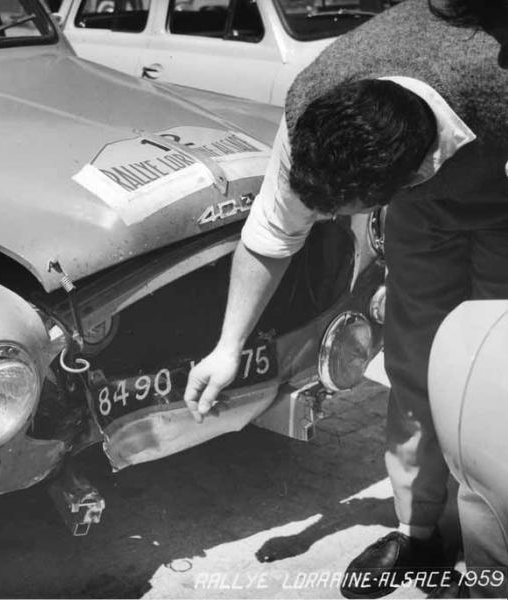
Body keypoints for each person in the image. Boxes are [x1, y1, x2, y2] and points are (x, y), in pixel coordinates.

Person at [182, 0, 508, 597]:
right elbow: (272, 235)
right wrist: (228, 347)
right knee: (417, 364)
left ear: (404, 181)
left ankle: (490, 554)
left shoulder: (497, 78)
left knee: (497, 383)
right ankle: (420, 532)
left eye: (339, 214)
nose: (325, 220)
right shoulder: (317, 100)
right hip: (428, 210)